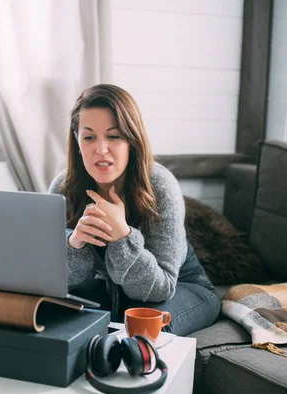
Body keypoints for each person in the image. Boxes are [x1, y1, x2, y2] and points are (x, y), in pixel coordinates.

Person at [48, 84, 221, 336]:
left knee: (141, 324)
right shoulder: (64, 187)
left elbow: (160, 288)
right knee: (60, 316)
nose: (101, 149)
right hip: (112, 289)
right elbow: (54, 280)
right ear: (77, 142)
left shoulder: (160, 185)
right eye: (89, 137)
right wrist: (73, 243)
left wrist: (122, 236)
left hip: (181, 286)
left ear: (132, 140)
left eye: (114, 136)